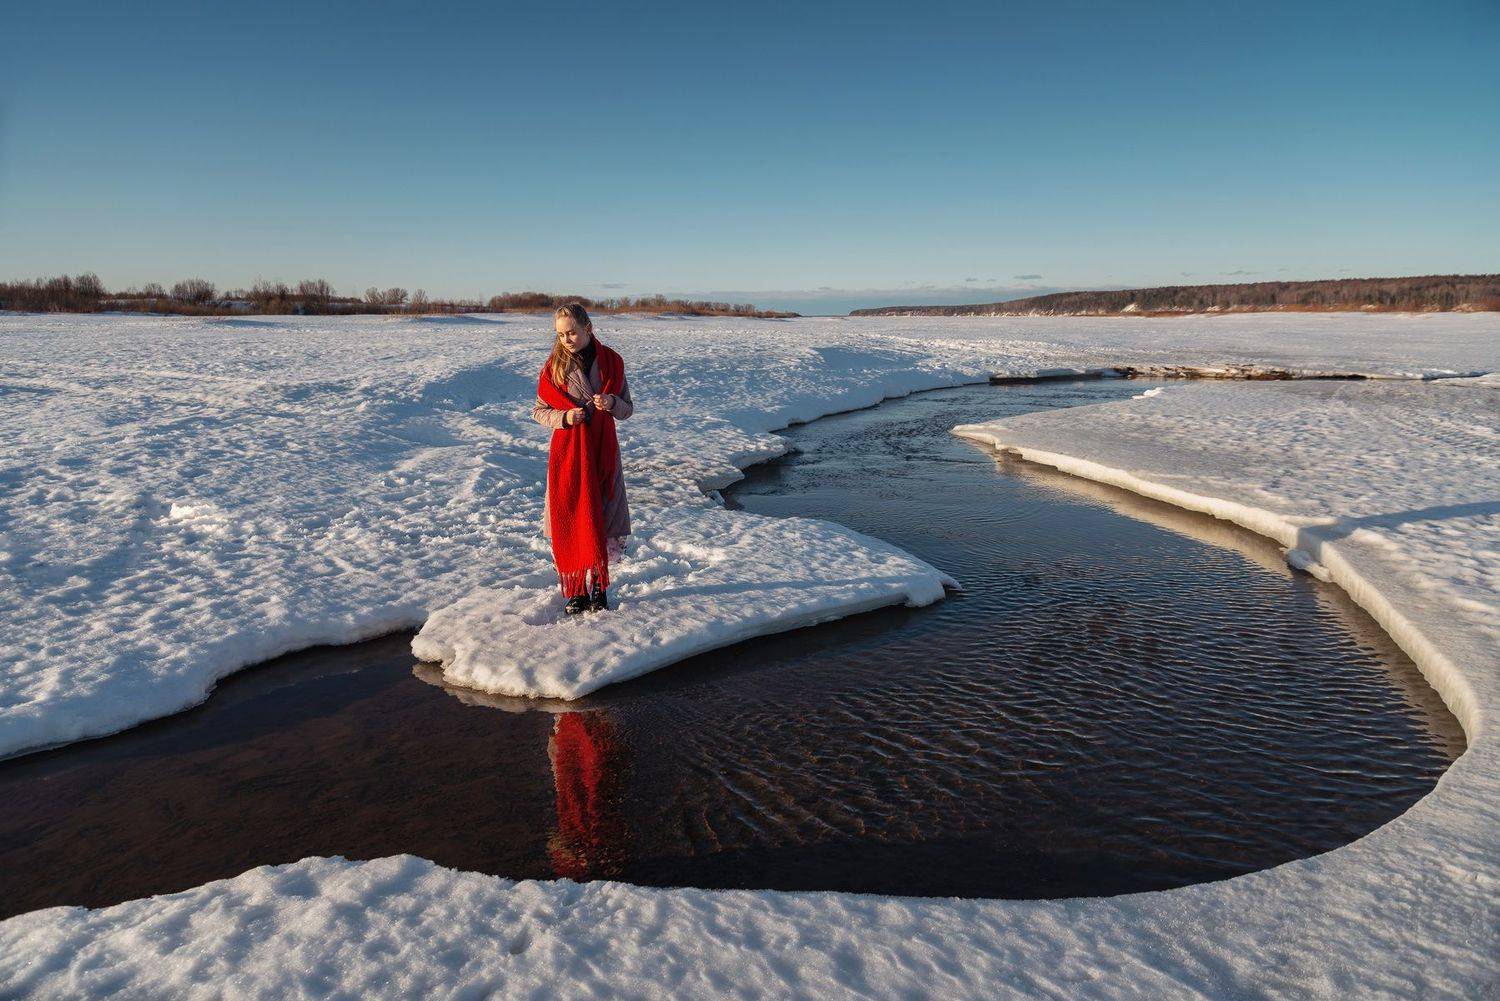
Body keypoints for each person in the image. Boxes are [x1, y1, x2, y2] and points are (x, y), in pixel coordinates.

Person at [531, 303, 634, 614]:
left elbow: (627, 409)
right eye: (561, 334)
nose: (567, 339)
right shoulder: (554, 367)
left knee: (601, 521)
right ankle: (576, 589)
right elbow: (539, 411)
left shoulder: (612, 363)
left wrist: (612, 402)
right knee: (572, 520)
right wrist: (564, 417)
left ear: (588, 328)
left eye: (572, 332)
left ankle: (599, 587)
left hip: (603, 456)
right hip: (569, 459)